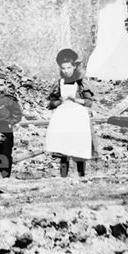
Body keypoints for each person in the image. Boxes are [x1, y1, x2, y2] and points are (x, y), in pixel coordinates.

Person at [45, 48, 94, 177]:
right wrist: (58, 102)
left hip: (77, 117)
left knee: (78, 145)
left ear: (74, 67)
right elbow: (50, 104)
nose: (66, 71)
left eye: (68, 68)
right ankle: (63, 175)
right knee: (63, 147)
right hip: (63, 117)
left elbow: (89, 102)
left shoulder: (81, 83)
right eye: (63, 68)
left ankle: (81, 174)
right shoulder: (59, 83)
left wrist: (76, 100)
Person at [0, 72, 23, 179]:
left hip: (5, 129)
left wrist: (11, 123)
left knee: (6, 152)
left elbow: (17, 114)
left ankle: (6, 176)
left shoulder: (10, 99)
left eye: (1, 85)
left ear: (5, 85)